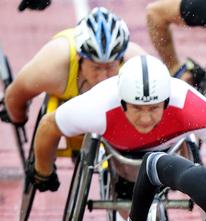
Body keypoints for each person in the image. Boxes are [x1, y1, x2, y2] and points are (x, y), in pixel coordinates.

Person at [31, 55, 206, 192]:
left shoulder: (190, 106)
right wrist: (43, 172)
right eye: (137, 108)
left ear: (167, 102)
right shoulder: (98, 106)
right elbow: (49, 125)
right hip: (121, 158)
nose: (145, 119)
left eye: (153, 108)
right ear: (122, 103)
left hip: (171, 157)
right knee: (128, 208)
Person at [2, 7, 144, 129]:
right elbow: (15, 97)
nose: (102, 77)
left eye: (109, 67)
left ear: (121, 60)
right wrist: (19, 119)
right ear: (79, 58)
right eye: (95, 68)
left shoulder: (138, 63)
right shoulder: (51, 66)